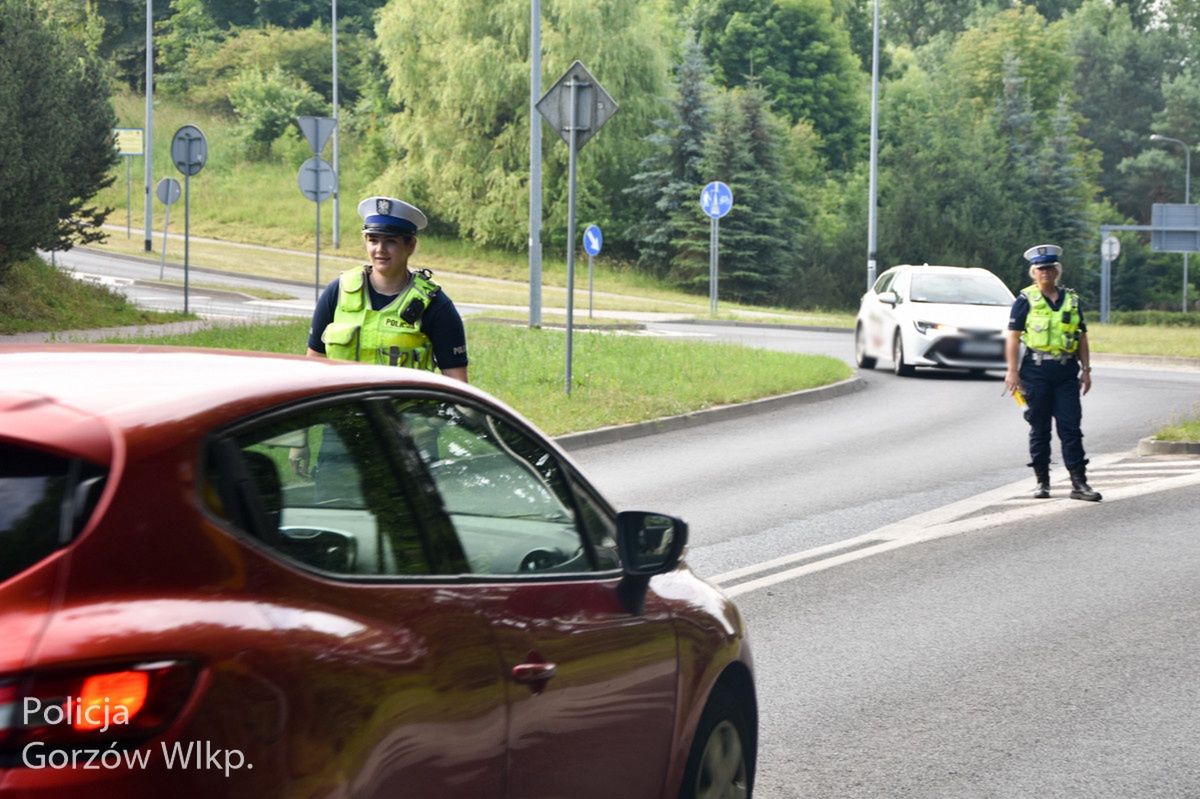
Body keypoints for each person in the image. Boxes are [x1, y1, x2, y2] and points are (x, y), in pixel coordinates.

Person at [306, 195, 468, 382]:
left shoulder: (436, 305)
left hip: (405, 411)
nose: (380, 249)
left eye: (391, 241)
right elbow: (314, 365)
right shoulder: (337, 292)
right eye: (373, 240)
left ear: (411, 245)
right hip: (343, 409)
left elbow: (458, 383)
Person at [1004, 244, 1101, 502]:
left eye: (1049, 268)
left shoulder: (1072, 300)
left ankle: (1079, 483)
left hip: (1066, 371)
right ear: (1033, 273)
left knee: (1070, 428)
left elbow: (1081, 337)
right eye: (1040, 269)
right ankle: (1042, 482)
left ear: (1057, 271)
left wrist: (1087, 370)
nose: (1045, 272)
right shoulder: (1025, 301)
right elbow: (1012, 338)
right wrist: (1012, 371)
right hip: (1035, 371)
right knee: (1040, 428)